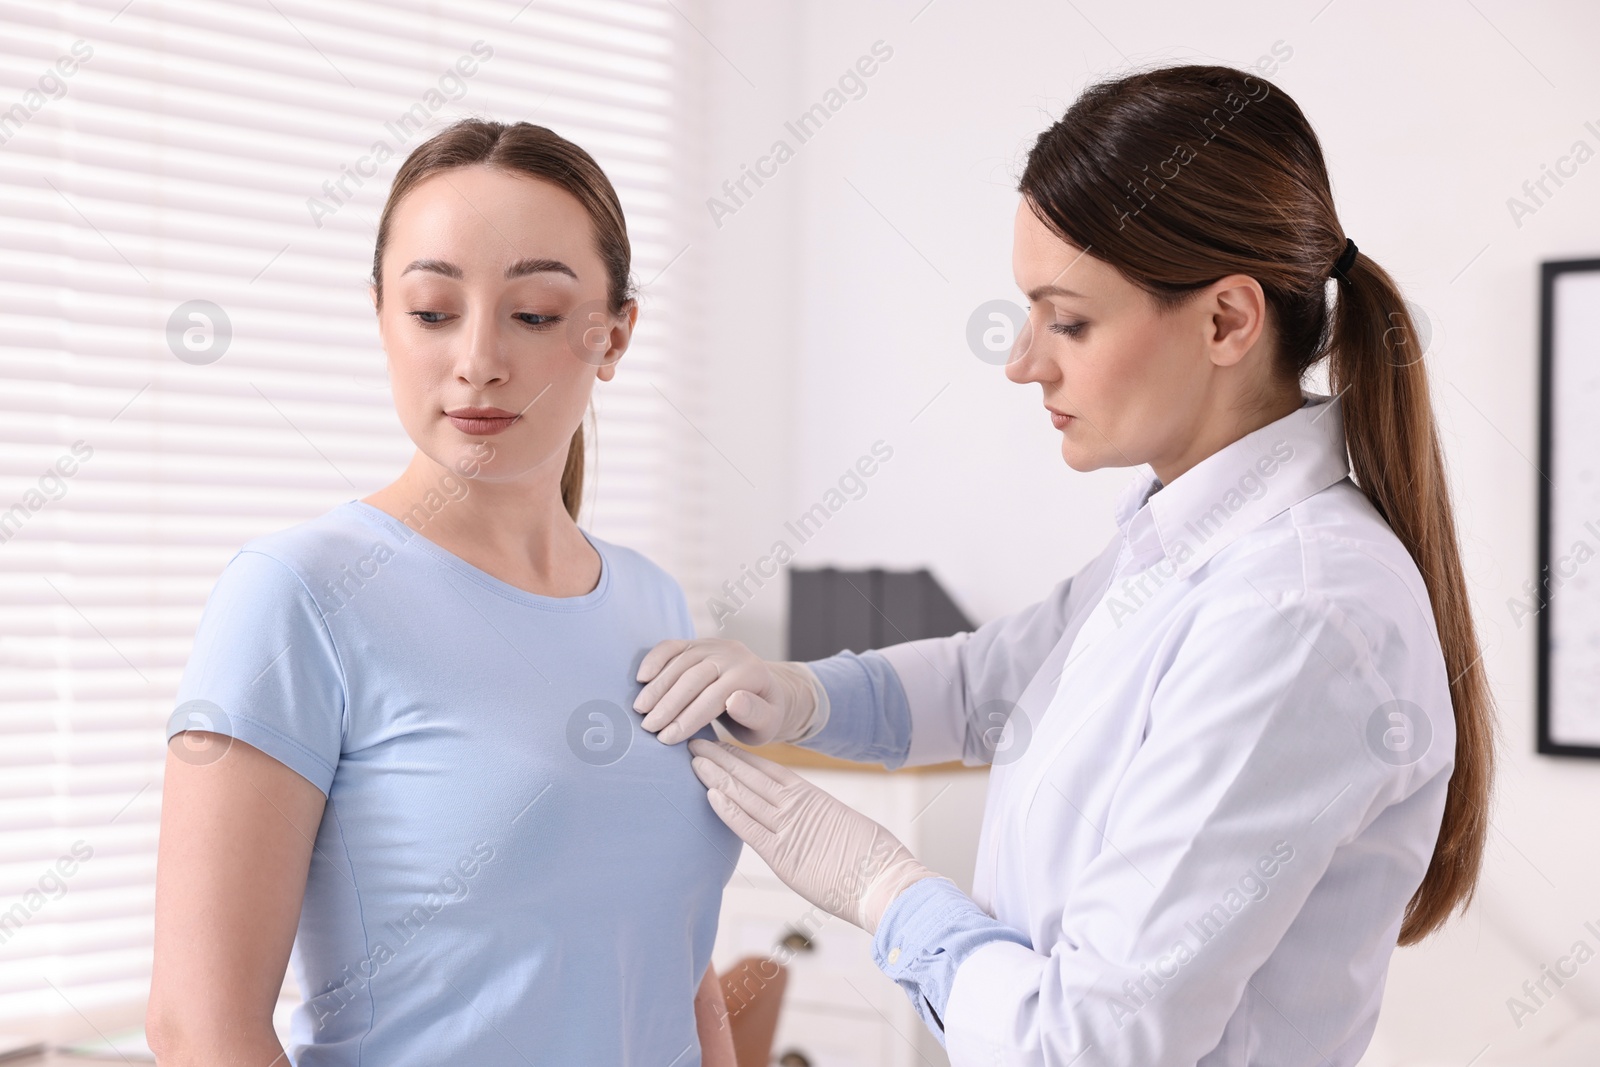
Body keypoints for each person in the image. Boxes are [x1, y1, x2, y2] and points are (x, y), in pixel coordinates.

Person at [631, 64, 1495, 1066]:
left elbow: (1089, 1043)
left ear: (1225, 320)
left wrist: (886, 889)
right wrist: (802, 697)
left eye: (1068, 318)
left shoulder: (1297, 613)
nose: (1023, 360)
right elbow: (999, 678)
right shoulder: (1184, 533)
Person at [147, 120, 738, 1066]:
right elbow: (197, 1028)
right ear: (382, 315)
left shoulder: (654, 605)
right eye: (432, 311)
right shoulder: (296, 598)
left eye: (534, 314)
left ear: (614, 333)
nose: (478, 359)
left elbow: (676, 970)